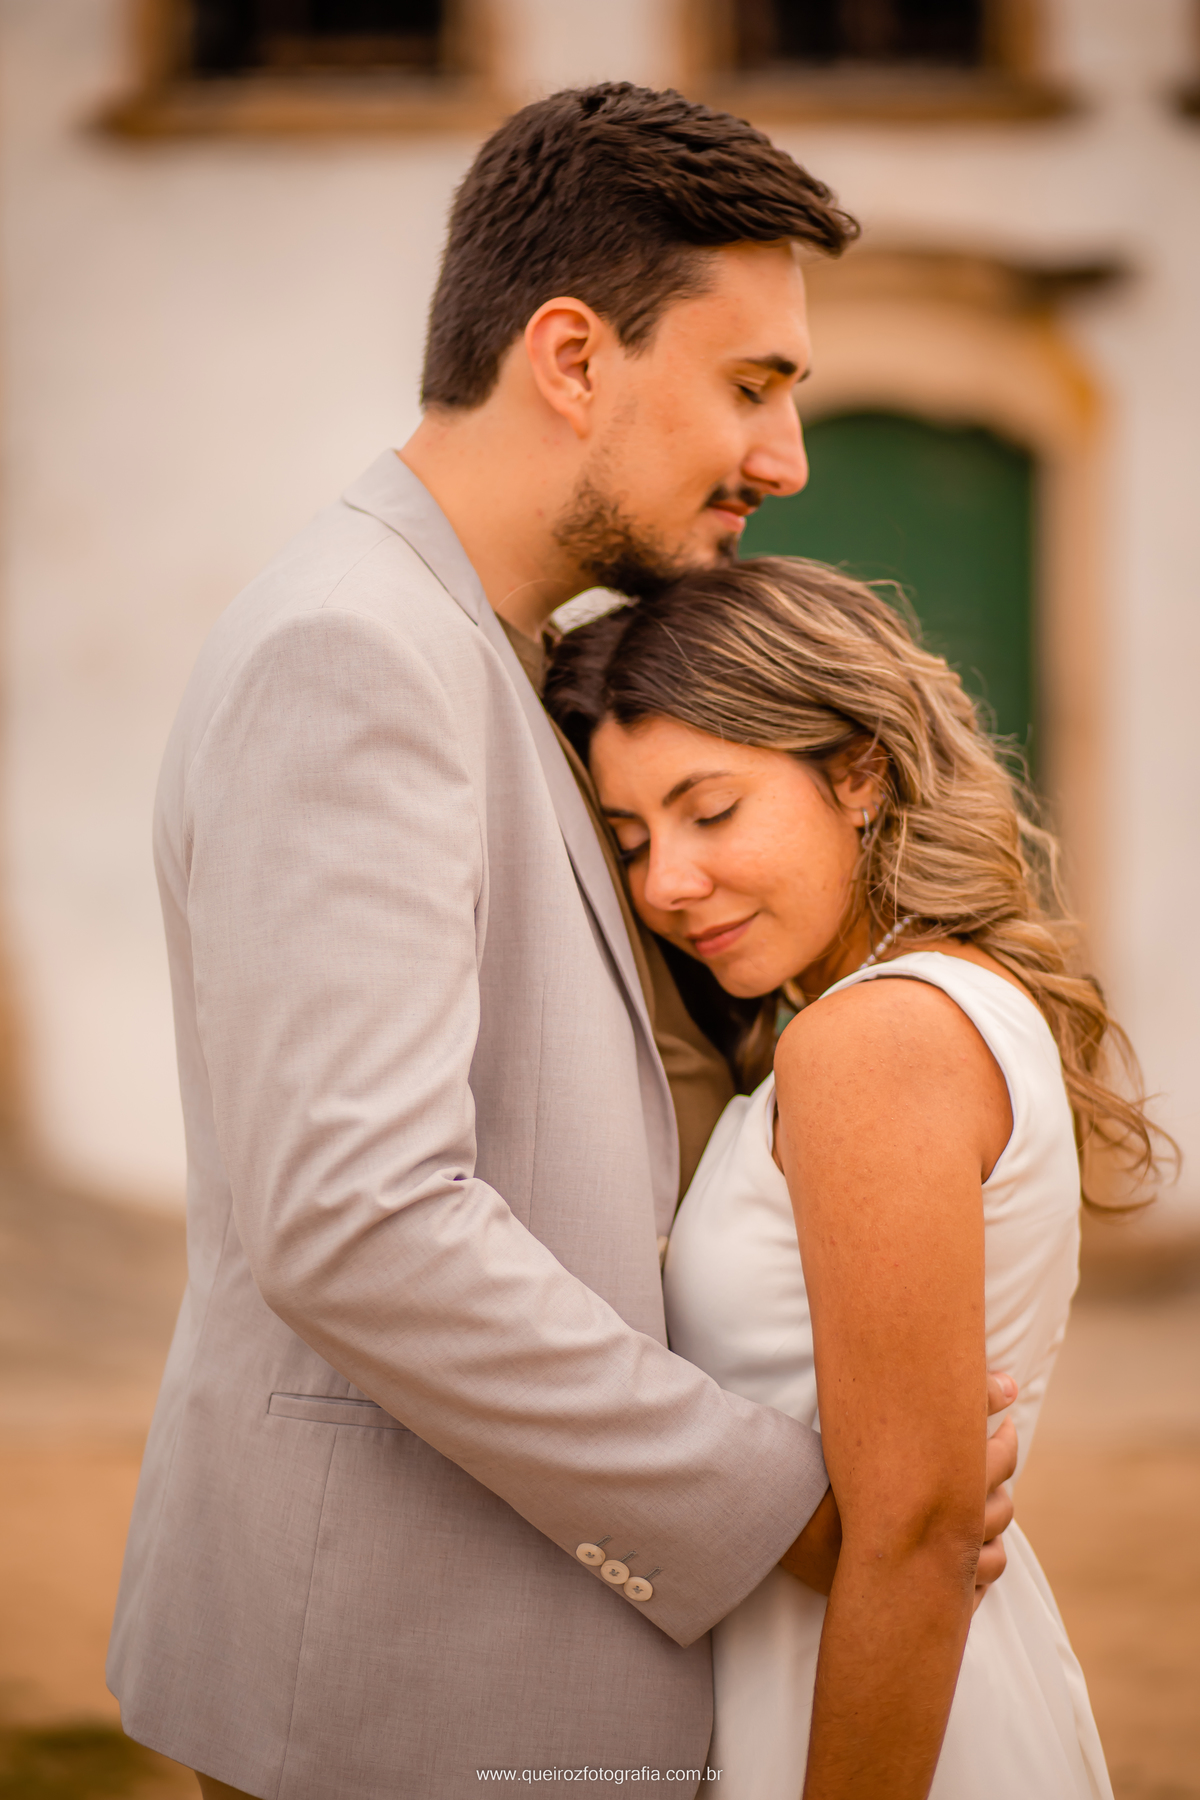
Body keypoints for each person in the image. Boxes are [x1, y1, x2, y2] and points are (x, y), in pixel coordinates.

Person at [108, 86, 1017, 1799]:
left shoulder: (491, 653)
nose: (787, 459)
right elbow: (357, 1218)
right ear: (574, 357)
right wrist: (795, 1508)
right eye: (754, 386)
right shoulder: (359, 656)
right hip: (403, 1691)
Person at [545, 557, 1172, 1798]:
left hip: (872, 1714)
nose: (666, 881)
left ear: (859, 772)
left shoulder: (870, 1040)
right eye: (628, 841)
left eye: (710, 811)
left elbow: (921, 1533)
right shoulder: (907, 1010)